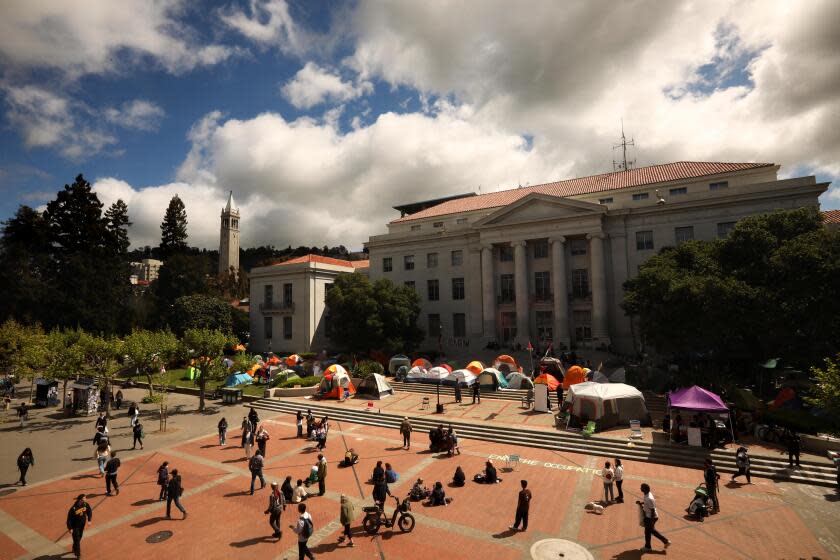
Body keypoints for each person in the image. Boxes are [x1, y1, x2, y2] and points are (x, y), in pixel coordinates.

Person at [636, 483, 670, 552]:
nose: (640, 488)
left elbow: (652, 510)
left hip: (650, 517)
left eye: (641, 487)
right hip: (649, 517)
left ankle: (649, 547)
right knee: (650, 531)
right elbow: (647, 504)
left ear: (645, 489)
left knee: (649, 531)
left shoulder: (649, 498)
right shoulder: (647, 495)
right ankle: (664, 542)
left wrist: (651, 520)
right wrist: (641, 503)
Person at [66, 493, 92, 559]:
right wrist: (70, 528)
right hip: (75, 527)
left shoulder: (85, 504)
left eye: (85, 498)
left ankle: (74, 547)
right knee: (77, 540)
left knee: (79, 537)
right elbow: (69, 519)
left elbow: (89, 511)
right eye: (84, 498)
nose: (85, 499)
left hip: (82, 526)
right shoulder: (73, 508)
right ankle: (78, 554)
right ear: (80, 500)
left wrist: (89, 520)